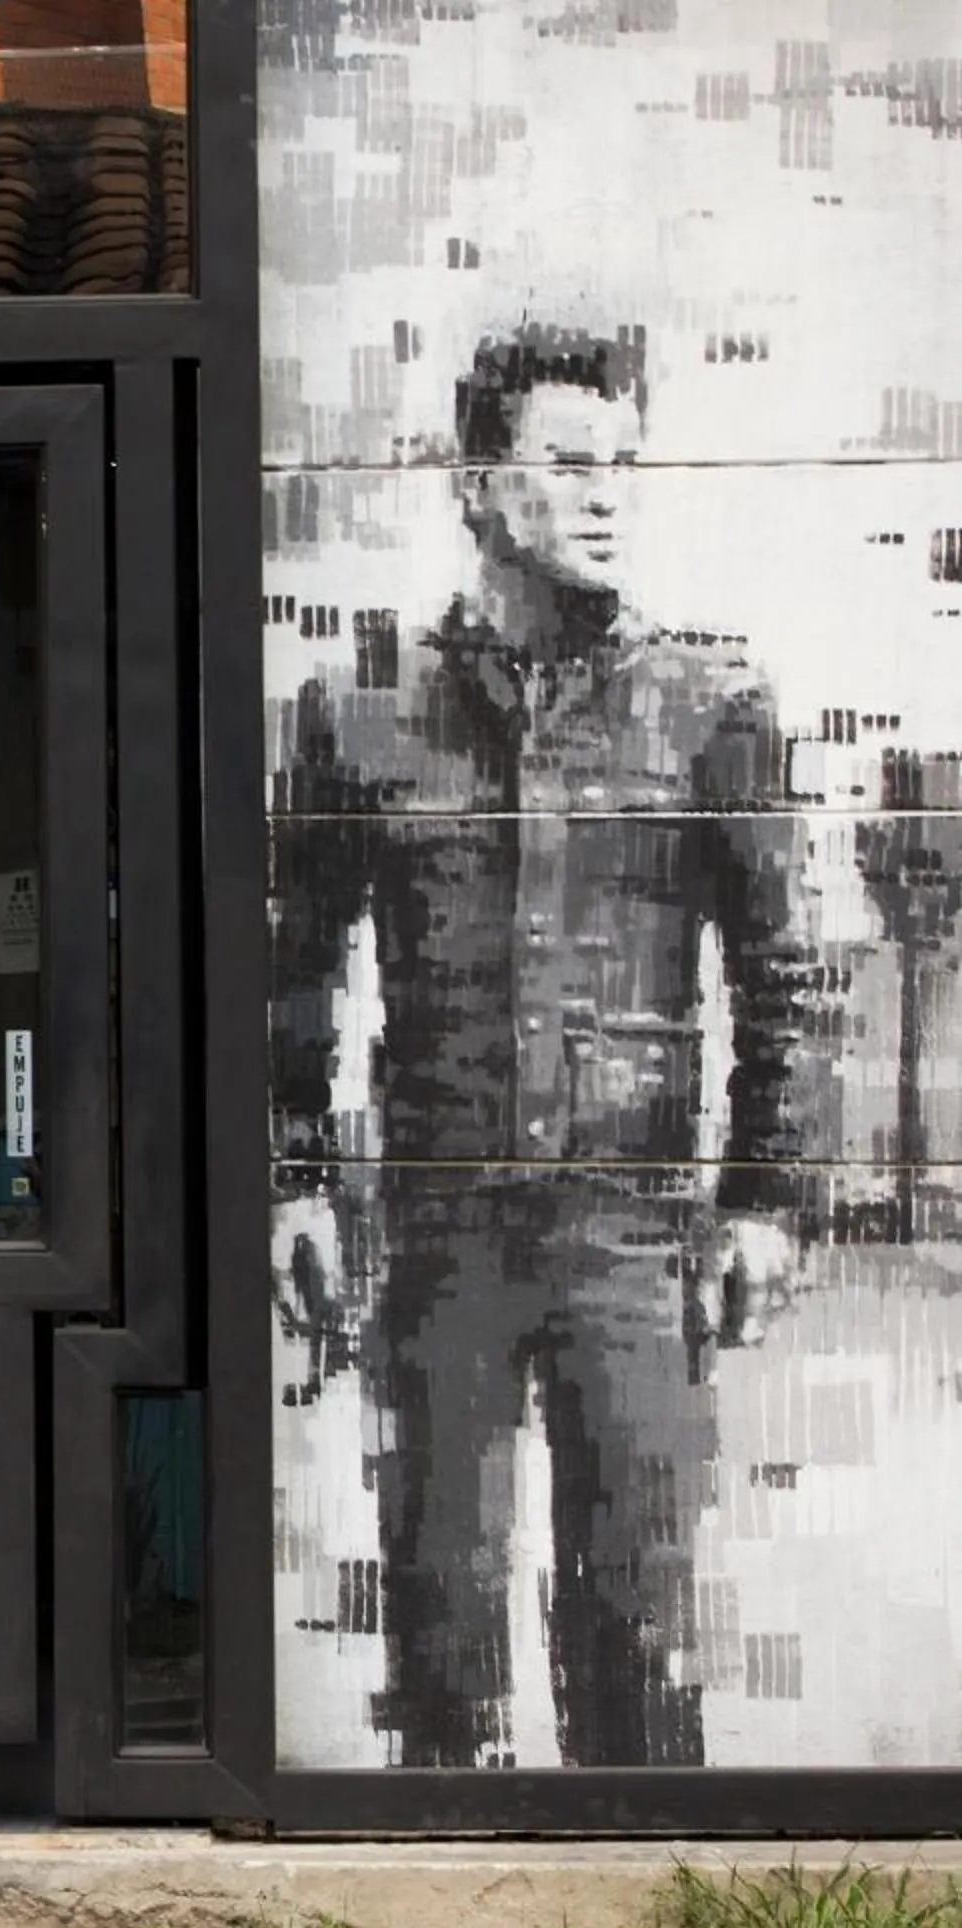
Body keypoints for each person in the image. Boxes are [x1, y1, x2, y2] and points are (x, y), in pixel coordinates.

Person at [271, 323, 808, 1769]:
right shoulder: (362, 712)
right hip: (438, 1225)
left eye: (624, 465)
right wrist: (299, 1179)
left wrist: (761, 1199)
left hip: (634, 1234)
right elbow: (295, 968)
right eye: (567, 462)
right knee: (440, 1618)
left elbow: (784, 968)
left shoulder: (711, 711)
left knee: (636, 1624)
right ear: (475, 483)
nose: (604, 494)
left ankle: (643, 1921)